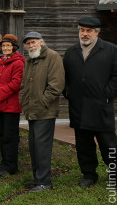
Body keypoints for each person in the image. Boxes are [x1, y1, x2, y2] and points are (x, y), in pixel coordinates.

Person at [63, 16, 117, 188]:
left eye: (88, 31)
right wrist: (68, 92)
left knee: (108, 144)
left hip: (100, 106)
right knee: (83, 144)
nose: (84, 34)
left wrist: (108, 93)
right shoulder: (71, 52)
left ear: (96, 32)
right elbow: (64, 78)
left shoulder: (110, 49)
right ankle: (89, 175)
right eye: (81, 30)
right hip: (78, 106)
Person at [20, 31, 65, 193]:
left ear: (41, 42)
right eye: (28, 43)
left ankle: (45, 182)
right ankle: (38, 178)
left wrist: (43, 102)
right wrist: (24, 102)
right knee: (34, 147)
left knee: (43, 147)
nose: (31, 45)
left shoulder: (53, 57)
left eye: (34, 42)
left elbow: (56, 85)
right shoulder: (30, 60)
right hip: (32, 111)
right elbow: (25, 85)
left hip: (45, 111)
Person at [0, 33, 25, 176]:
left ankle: (11, 166)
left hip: (11, 107)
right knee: (2, 135)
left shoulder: (18, 63)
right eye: (4, 45)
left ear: (14, 47)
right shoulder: (1, 61)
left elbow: (16, 84)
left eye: (8, 45)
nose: (6, 48)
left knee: (10, 137)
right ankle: (4, 162)